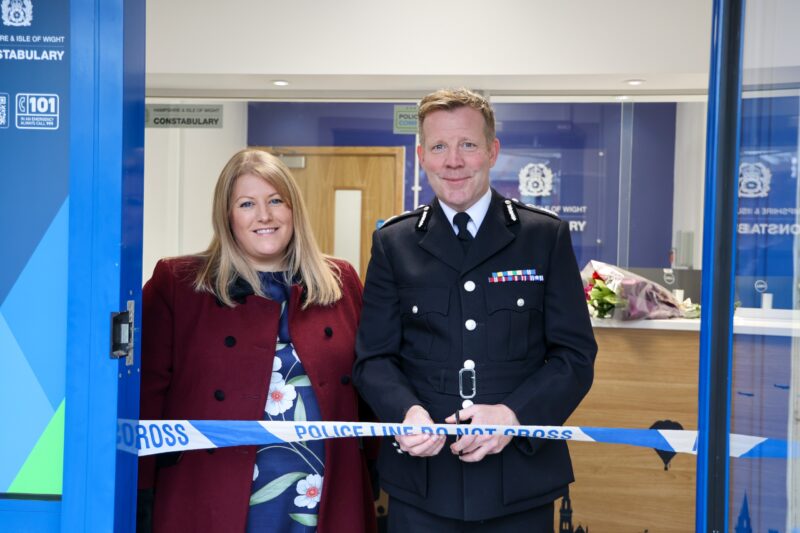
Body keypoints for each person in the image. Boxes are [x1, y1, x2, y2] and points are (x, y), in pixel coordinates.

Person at [353, 88, 597, 532]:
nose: (454, 161)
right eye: (440, 147)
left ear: (492, 151)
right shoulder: (394, 243)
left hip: (518, 482)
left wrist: (513, 416)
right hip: (423, 479)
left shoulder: (544, 237)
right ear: (422, 155)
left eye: (467, 144)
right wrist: (405, 413)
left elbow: (574, 357)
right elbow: (374, 358)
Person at [138, 148, 377, 533]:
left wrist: (376, 471)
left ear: (294, 209)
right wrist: (141, 487)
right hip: (212, 494)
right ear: (227, 215)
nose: (264, 216)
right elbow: (148, 392)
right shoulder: (179, 283)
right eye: (247, 203)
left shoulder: (341, 280)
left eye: (275, 200)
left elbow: (369, 385)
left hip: (326, 493)